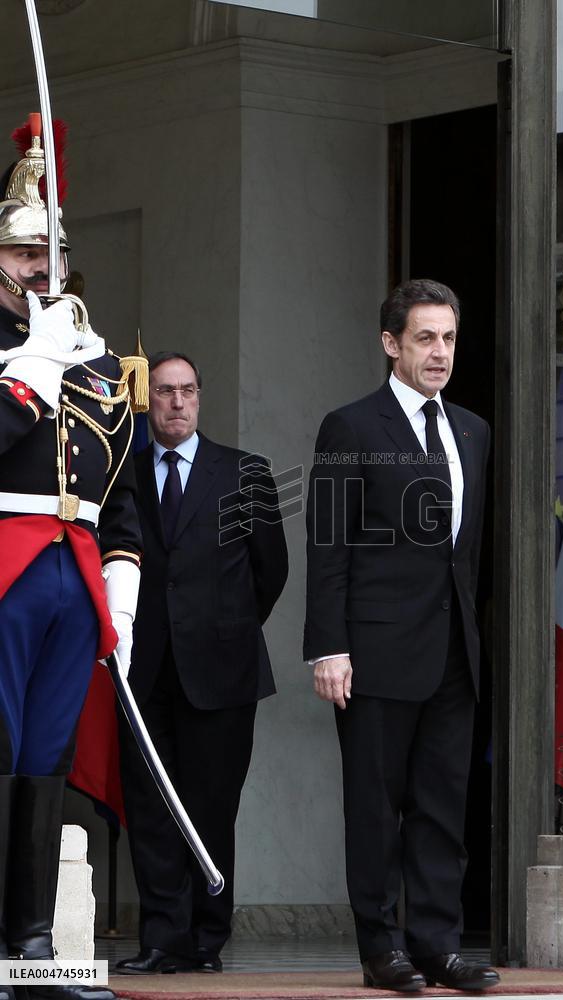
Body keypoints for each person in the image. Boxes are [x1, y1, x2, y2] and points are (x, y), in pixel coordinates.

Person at [304, 279, 500, 993]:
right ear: (391, 344)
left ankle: (438, 947)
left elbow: (468, 553)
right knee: (375, 811)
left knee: (443, 809)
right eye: (425, 337)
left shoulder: (474, 431)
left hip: (453, 654)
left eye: (447, 337)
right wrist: (329, 647)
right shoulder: (350, 426)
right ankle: (380, 949)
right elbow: (328, 545)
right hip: (376, 653)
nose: (439, 351)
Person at [0, 118, 143, 1000]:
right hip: (4, 563)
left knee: (46, 758)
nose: (36, 271)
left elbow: (119, 493)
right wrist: (29, 374)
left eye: (45, 254)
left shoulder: (90, 361)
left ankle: (31, 946)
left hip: (72, 571)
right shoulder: (34, 356)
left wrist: (120, 595)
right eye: (20, 255)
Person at [116, 351, 288, 975]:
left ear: (200, 396)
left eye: (188, 390)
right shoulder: (122, 473)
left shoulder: (245, 473)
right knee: (152, 807)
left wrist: (225, 629)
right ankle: (160, 938)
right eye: (164, 392)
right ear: (148, 400)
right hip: (144, 672)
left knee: (212, 807)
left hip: (223, 671)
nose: (178, 403)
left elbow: (271, 571)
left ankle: (206, 940)